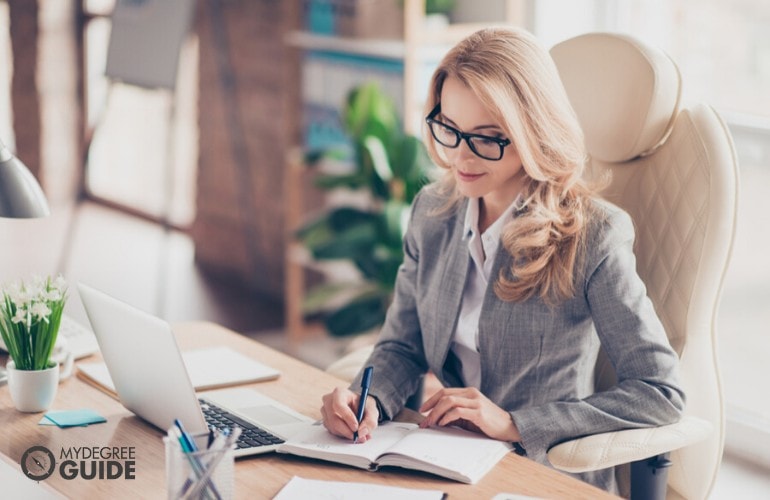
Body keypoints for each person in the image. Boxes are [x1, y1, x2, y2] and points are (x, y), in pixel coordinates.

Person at [319, 26, 684, 492]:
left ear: (533, 131)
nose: (459, 156)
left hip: (539, 474)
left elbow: (660, 392)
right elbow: (402, 347)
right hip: (439, 458)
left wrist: (514, 423)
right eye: (449, 129)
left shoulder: (592, 235)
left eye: (487, 138)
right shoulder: (433, 213)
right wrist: (366, 400)